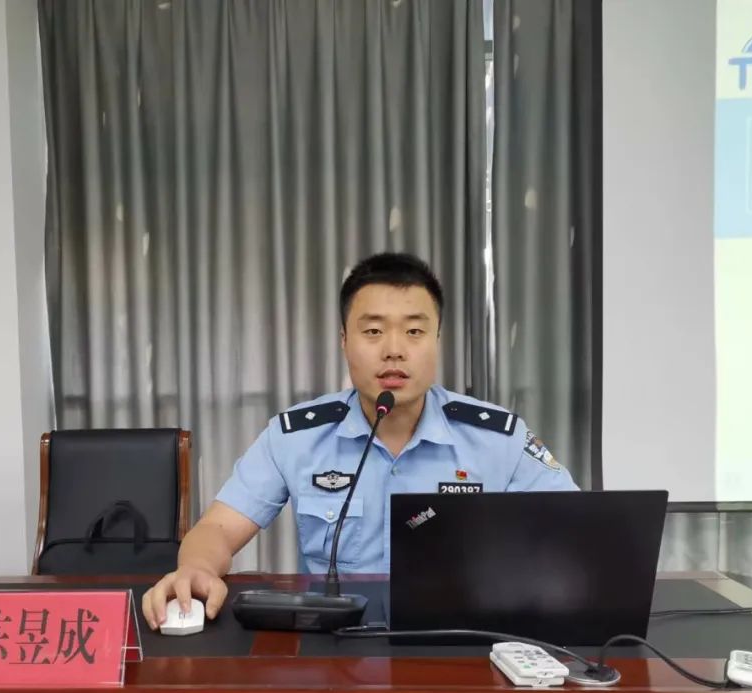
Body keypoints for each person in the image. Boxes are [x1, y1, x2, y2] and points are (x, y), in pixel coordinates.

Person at [141, 252, 577, 629]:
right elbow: (216, 528)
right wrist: (197, 568)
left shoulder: (497, 438)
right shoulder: (297, 437)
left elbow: (572, 534)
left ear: (437, 341)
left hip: (461, 645)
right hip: (334, 647)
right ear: (345, 342)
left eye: (414, 331)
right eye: (373, 332)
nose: (394, 350)